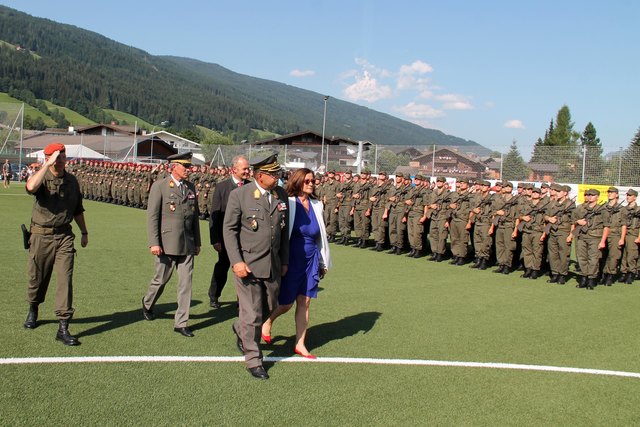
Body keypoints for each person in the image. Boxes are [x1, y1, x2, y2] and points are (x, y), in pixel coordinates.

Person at [223, 153, 289, 380]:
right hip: (248, 265)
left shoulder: (281, 194)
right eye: (274, 174)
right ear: (261, 176)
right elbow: (229, 231)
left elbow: (284, 233)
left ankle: (241, 329)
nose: (278, 177)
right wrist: (237, 261)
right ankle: (253, 359)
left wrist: (285, 261)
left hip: (273, 265)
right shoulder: (239, 195)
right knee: (251, 314)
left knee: (269, 307)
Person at [261, 168, 331, 360]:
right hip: (292, 257)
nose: (311, 183)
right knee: (286, 303)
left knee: (305, 302)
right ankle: (268, 321)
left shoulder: (317, 204)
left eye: (313, 181)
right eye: (307, 180)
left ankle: (300, 344)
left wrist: (322, 262)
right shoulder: (289, 202)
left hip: (311, 259)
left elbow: (321, 237)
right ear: (298, 181)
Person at [23, 142, 88, 346]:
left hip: (64, 237)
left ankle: (63, 326)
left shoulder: (72, 181)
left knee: (64, 280)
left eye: (63, 156)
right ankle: (33, 307)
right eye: (57, 157)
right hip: (41, 236)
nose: (61, 160)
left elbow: (78, 209)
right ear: (49, 158)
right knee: (37, 278)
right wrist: (45, 166)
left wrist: (84, 232)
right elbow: (31, 187)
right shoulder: (42, 178)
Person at [142, 152, 201, 337]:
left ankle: (181, 322)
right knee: (161, 280)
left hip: (188, 244)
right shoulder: (160, 186)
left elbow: (195, 217)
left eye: (189, 166)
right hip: (166, 243)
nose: (188, 170)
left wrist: (197, 242)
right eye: (185, 166)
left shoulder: (190, 187)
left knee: (186, 284)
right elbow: (153, 217)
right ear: (174, 166)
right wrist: (154, 242)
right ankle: (147, 303)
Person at [207, 155, 250, 308]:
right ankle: (214, 295)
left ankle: (242, 300)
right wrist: (215, 239)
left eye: (248, 168)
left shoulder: (250, 187)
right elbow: (215, 215)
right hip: (226, 238)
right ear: (234, 169)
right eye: (244, 169)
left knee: (246, 269)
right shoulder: (222, 187)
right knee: (223, 266)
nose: (247, 171)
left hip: (246, 238)